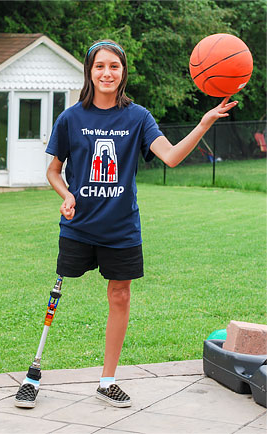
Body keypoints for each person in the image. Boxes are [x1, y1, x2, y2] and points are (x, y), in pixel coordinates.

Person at [16, 39, 238, 409]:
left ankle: (107, 380)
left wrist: (203, 123)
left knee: (120, 296)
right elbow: (54, 171)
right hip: (79, 225)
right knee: (58, 293)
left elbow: (169, 157)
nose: (107, 73)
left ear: (123, 72)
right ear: (90, 71)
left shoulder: (138, 117)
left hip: (121, 229)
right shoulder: (71, 117)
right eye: (100, 66)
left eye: (114, 67)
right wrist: (66, 195)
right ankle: (33, 372)